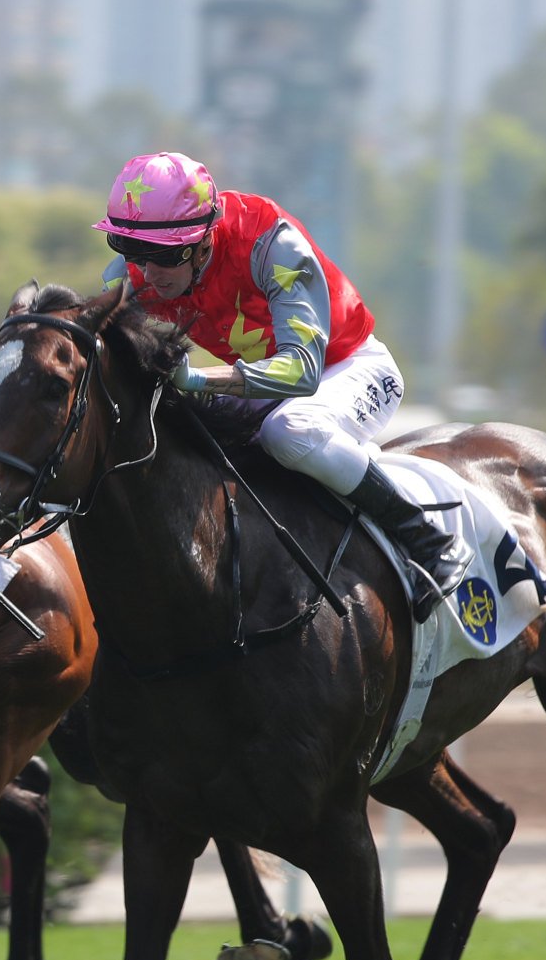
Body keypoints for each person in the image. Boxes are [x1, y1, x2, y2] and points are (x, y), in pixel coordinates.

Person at [96, 151, 463, 622]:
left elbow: (303, 370)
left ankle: (428, 539)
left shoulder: (271, 243)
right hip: (265, 387)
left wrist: (200, 379)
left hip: (349, 369)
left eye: (164, 255)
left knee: (289, 431)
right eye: (130, 251)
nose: (147, 272)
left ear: (203, 242)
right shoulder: (138, 274)